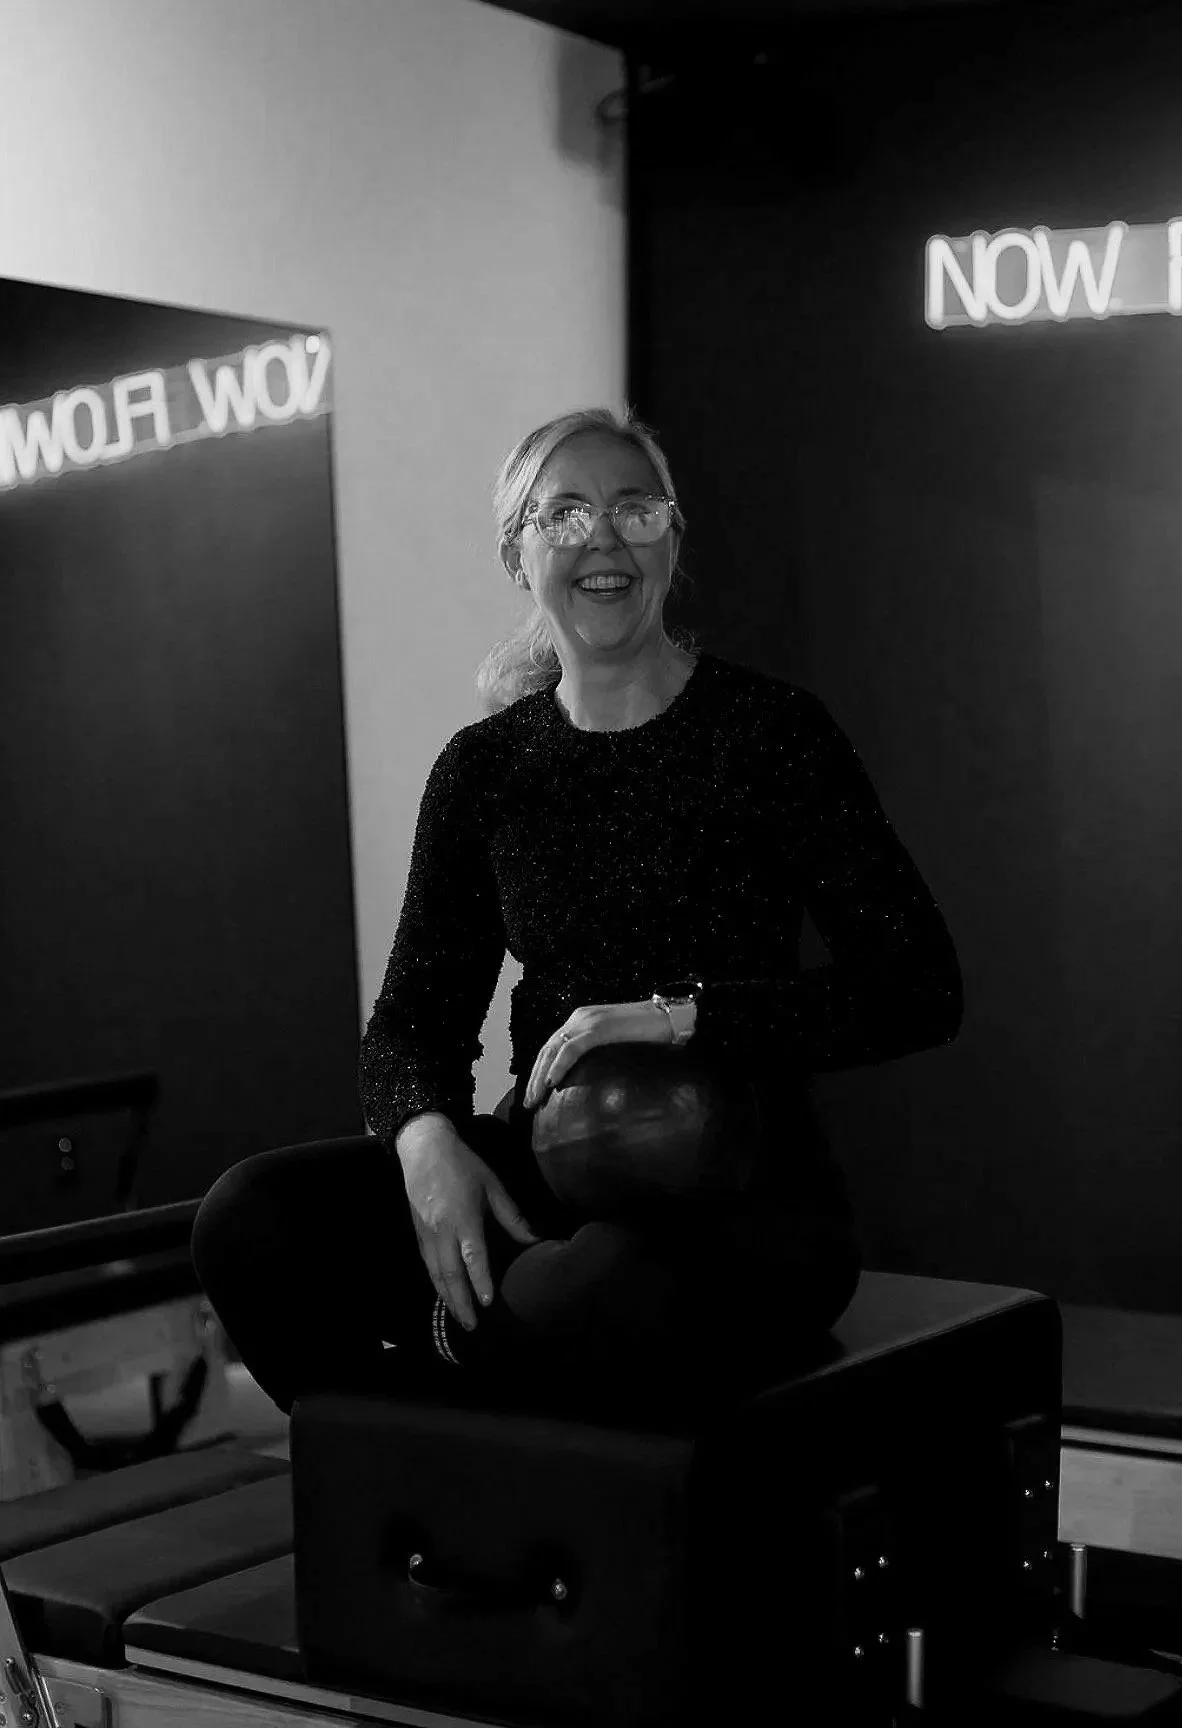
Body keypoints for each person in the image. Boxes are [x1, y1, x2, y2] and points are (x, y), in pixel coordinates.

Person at [191, 403, 963, 1426]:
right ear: (517, 556)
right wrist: (428, 1148)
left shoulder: (773, 733)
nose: (603, 539)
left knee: (593, 1295)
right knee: (249, 1219)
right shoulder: (485, 769)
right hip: (549, 1168)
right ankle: (417, 1464)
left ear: (672, 539)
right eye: (564, 515)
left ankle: (460, 1376)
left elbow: (919, 986)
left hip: (741, 1189)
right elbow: (413, 1022)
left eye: (634, 509)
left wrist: (678, 1016)